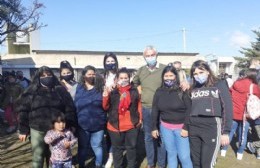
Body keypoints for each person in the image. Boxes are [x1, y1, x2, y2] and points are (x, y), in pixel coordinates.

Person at [16, 66, 77, 168]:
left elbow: (69, 108)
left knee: (54, 156)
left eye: (49, 75)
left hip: (57, 130)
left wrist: (71, 124)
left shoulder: (60, 90)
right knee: (38, 156)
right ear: (38, 77)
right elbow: (23, 111)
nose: (46, 77)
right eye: (43, 76)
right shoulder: (31, 91)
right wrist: (23, 130)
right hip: (37, 129)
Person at [189, 60, 232, 168]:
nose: (198, 76)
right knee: (196, 163)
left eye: (201, 72)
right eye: (195, 74)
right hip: (194, 127)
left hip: (211, 127)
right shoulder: (193, 88)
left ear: (208, 71)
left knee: (207, 164)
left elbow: (227, 107)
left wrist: (225, 132)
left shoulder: (219, 84)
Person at [132, 45, 167, 168]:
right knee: (148, 136)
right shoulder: (141, 70)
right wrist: (139, 89)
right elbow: (134, 83)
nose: (150, 57)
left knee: (161, 136)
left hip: (162, 108)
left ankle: (162, 164)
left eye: (152, 55)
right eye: (147, 55)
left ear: (156, 55)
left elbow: (174, 81)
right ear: (144, 57)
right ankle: (151, 163)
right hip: (146, 108)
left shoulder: (164, 69)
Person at [151, 65, 193, 168]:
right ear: (163, 77)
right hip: (165, 128)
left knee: (184, 157)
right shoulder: (159, 91)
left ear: (176, 76)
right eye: (166, 76)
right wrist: (154, 127)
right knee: (171, 154)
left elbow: (189, 110)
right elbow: (155, 109)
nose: (168, 78)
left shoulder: (182, 90)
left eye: (171, 75)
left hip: (181, 129)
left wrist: (186, 127)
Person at [103, 67, 142, 168]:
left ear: (129, 79)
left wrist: (140, 120)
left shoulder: (134, 90)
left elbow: (139, 105)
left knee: (131, 148)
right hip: (115, 126)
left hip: (132, 125)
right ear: (116, 79)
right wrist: (106, 96)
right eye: (121, 78)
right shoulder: (112, 91)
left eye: (126, 78)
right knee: (117, 150)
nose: (123, 80)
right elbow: (105, 106)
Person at [221, 68, 260, 160]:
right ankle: (240, 153)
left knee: (229, 132)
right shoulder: (254, 86)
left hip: (233, 113)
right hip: (245, 115)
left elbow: (230, 95)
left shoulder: (236, 83)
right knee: (243, 134)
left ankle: (223, 150)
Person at [74, 65, 106, 168]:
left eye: (93, 74)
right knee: (83, 147)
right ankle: (82, 165)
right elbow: (75, 104)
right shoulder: (78, 88)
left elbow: (105, 104)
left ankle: (98, 165)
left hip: (98, 124)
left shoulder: (100, 88)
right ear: (84, 76)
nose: (91, 76)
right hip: (82, 124)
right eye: (89, 74)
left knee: (97, 147)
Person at [102, 52, 119, 168]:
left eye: (112, 61)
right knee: (108, 135)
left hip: (118, 108)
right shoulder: (102, 77)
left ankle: (117, 155)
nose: (110, 63)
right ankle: (110, 157)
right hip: (105, 109)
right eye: (108, 61)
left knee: (117, 135)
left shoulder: (120, 75)